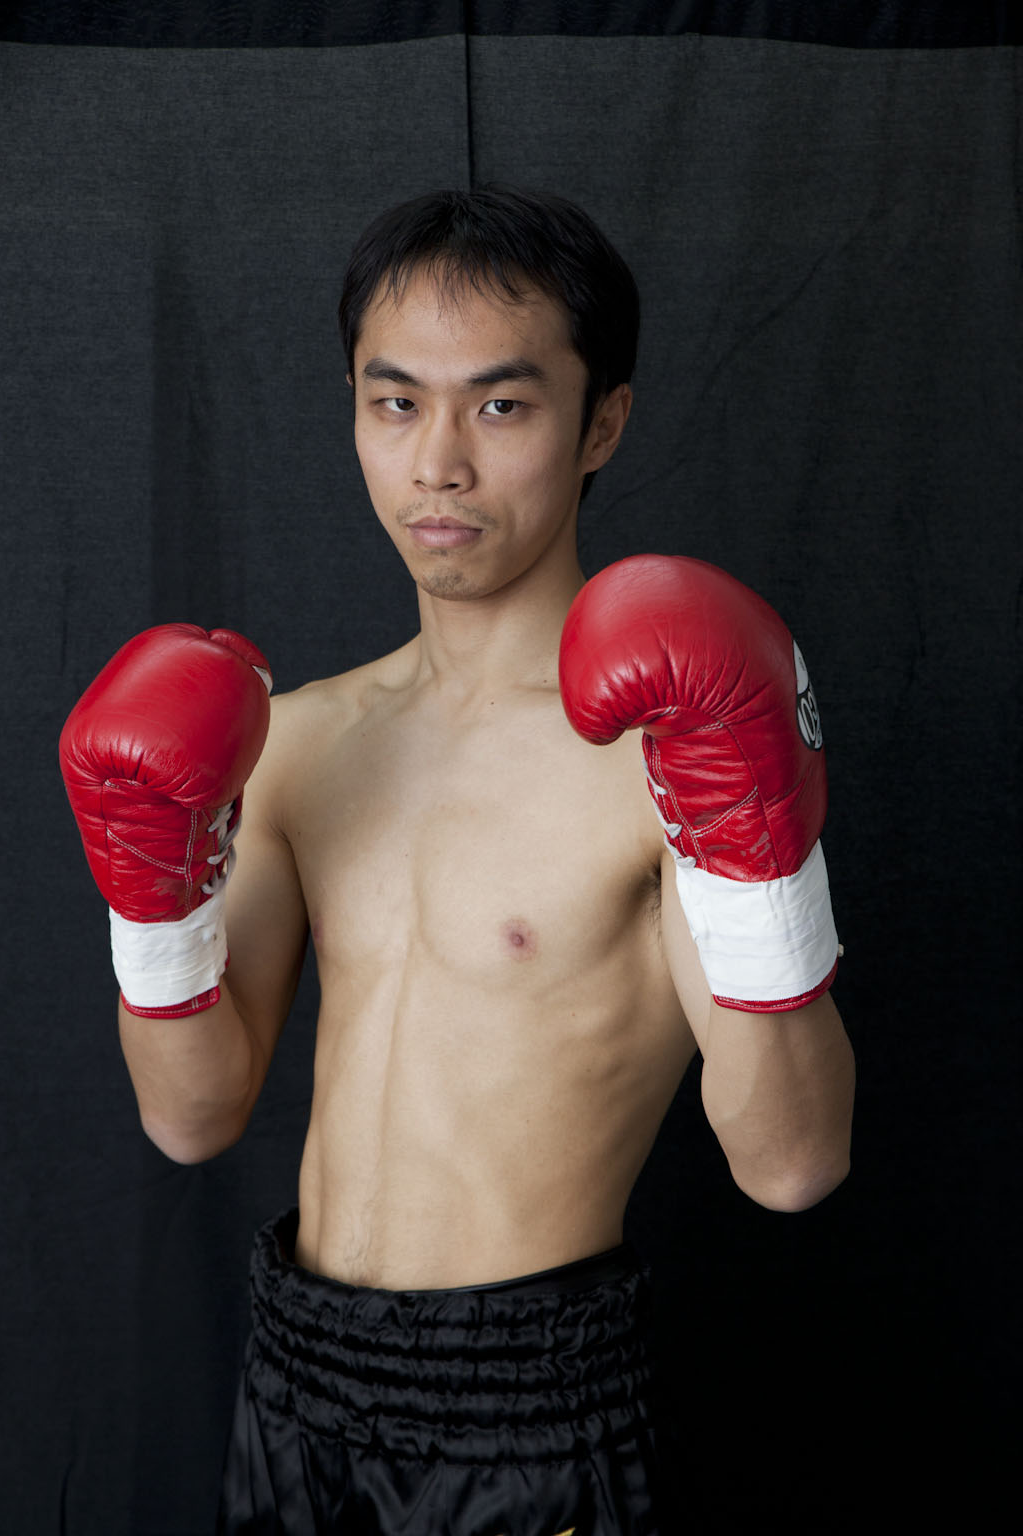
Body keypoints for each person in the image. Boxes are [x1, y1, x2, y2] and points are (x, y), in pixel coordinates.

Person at [59, 185, 855, 1535]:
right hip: (293, 1382)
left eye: (500, 405)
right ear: (354, 413)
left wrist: (755, 869)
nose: (439, 463)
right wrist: (153, 902)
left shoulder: (665, 760)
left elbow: (794, 1165)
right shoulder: (299, 742)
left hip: (531, 1408)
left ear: (601, 421)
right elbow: (191, 1118)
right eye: (396, 402)